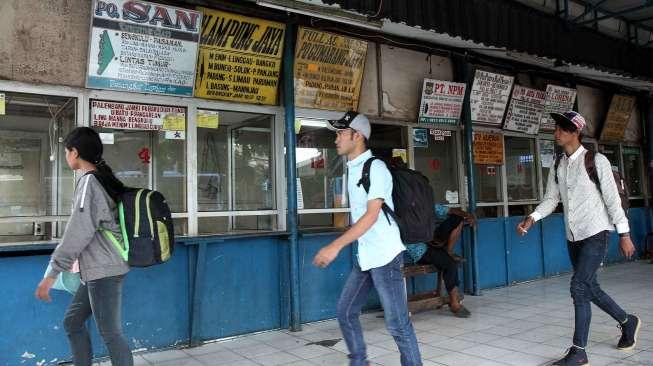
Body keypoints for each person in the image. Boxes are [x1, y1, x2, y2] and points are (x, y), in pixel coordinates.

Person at [516, 111, 641, 366]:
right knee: (590, 287)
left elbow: (613, 202)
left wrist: (624, 234)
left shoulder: (597, 161)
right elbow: (552, 198)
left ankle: (578, 351)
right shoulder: (559, 164)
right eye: (556, 128)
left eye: (561, 129)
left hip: (596, 233)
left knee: (579, 287)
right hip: (573, 236)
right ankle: (628, 322)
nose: (556, 133)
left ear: (575, 132)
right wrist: (533, 217)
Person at [313, 111, 422, 366]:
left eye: (341, 133)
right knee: (346, 312)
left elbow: (372, 215)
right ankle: (359, 361)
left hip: (385, 255)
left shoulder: (377, 168)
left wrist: (335, 246)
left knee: (397, 325)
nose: (336, 139)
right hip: (367, 256)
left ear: (357, 135)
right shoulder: (352, 168)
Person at [35, 127, 133, 366]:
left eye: (66, 151)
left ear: (75, 152)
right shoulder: (101, 178)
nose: (66, 156)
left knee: (110, 333)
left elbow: (77, 233)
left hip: (104, 270)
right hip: (100, 269)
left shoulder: (90, 183)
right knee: (73, 322)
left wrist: (51, 274)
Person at [405, 204, 474, 317]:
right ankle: (454, 304)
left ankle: (448, 251)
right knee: (449, 263)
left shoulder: (424, 202)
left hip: (433, 241)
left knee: (457, 218)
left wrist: (468, 215)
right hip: (420, 249)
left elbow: (450, 210)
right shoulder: (402, 210)